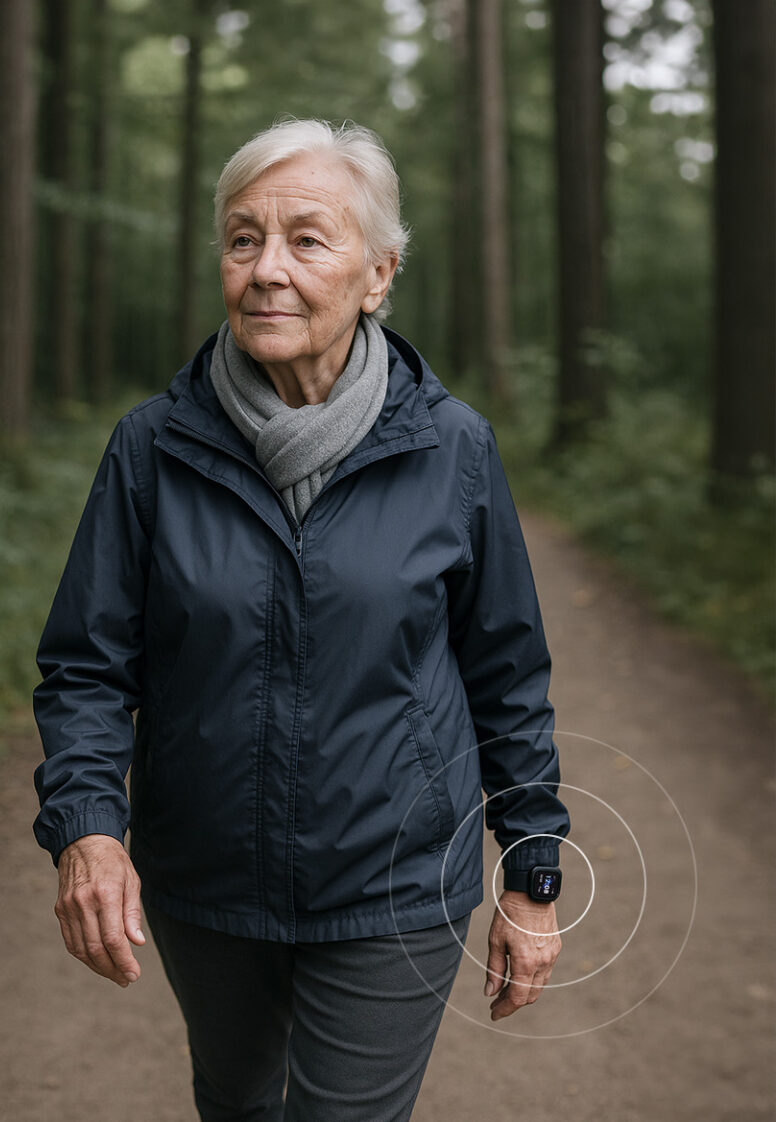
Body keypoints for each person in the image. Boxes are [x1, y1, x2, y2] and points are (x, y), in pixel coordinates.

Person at [31, 118, 571, 1122]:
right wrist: (87, 828)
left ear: (377, 273)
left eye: (306, 240)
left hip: (396, 878)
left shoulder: (451, 447)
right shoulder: (153, 449)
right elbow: (88, 666)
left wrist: (532, 872)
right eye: (243, 240)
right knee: (238, 1105)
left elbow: (506, 672)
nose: (266, 269)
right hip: (207, 879)